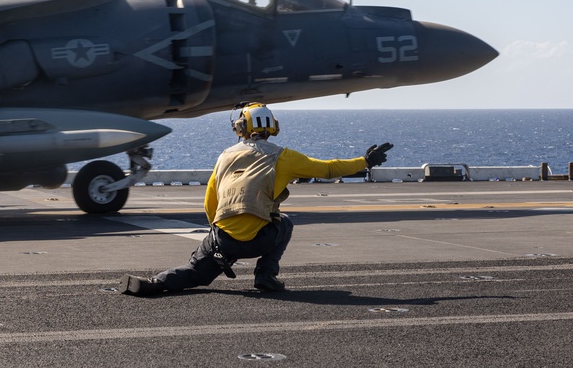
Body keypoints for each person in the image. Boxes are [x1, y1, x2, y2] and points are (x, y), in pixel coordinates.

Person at [120, 102, 392, 297]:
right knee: (284, 222)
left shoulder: (225, 155)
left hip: (223, 241)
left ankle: (152, 283)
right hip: (261, 240)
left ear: (240, 127)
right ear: (272, 128)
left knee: (195, 273)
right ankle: (265, 276)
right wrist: (365, 161)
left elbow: (209, 203)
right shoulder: (283, 156)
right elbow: (328, 168)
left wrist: (217, 236)